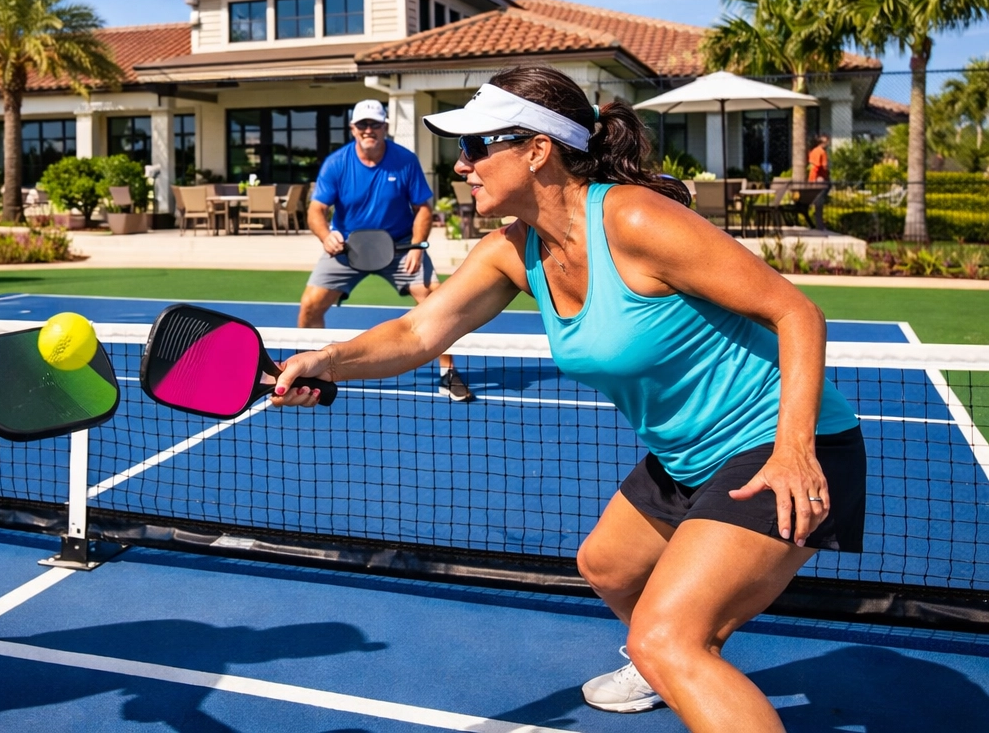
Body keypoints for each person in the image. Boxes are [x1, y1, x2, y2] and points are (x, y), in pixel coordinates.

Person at [272, 66, 864, 733]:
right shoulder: (513, 250)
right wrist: (323, 359)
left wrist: (793, 451)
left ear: (536, 149)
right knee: (607, 566)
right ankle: (671, 661)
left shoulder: (634, 220)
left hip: (780, 446)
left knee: (665, 637)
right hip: (686, 455)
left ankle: (671, 654)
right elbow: (417, 331)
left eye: (474, 148)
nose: (462, 166)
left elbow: (797, 313)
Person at [297, 100, 463, 398]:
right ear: (353, 129)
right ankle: (312, 371)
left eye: (375, 124)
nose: (368, 130)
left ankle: (447, 371)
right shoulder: (337, 163)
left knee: (436, 301)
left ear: (385, 127)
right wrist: (326, 237)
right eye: (362, 125)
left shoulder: (405, 161)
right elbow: (316, 210)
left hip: (399, 247)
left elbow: (423, 208)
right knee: (310, 304)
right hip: (347, 248)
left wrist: (417, 248)